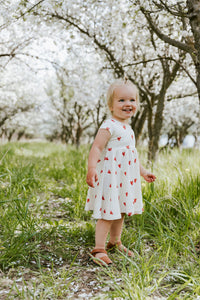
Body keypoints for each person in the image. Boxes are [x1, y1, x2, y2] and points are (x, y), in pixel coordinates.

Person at [85, 78, 156, 266]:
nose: (128, 104)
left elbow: (130, 156)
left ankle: (115, 241)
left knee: (120, 211)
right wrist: (92, 168)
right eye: (122, 100)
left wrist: (142, 171)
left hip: (124, 179)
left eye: (132, 100)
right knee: (107, 213)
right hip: (110, 178)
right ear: (111, 105)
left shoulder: (129, 129)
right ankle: (98, 249)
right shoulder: (109, 126)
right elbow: (97, 148)